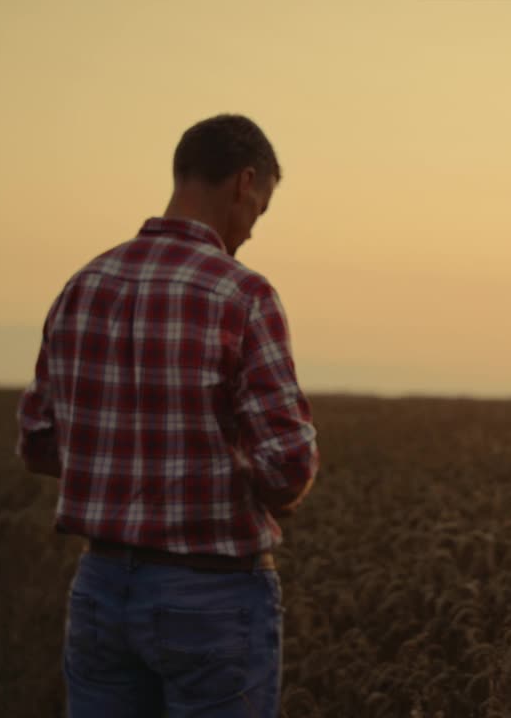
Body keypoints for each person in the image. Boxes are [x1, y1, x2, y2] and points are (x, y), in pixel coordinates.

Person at [16, 113, 319, 717]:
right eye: (259, 209)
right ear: (244, 183)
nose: (252, 231)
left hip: (100, 590)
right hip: (210, 596)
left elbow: (38, 441)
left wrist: (117, 473)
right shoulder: (241, 294)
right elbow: (286, 464)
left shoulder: (84, 284)